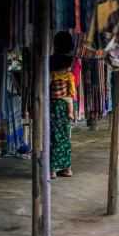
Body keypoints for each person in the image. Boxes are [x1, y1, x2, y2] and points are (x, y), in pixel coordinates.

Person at [49, 31, 76, 178]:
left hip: (52, 104)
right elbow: (71, 91)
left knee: (52, 135)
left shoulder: (50, 62)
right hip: (66, 104)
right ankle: (67, 168)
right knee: (64, 136)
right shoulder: (70, 63)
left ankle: (52, 169)